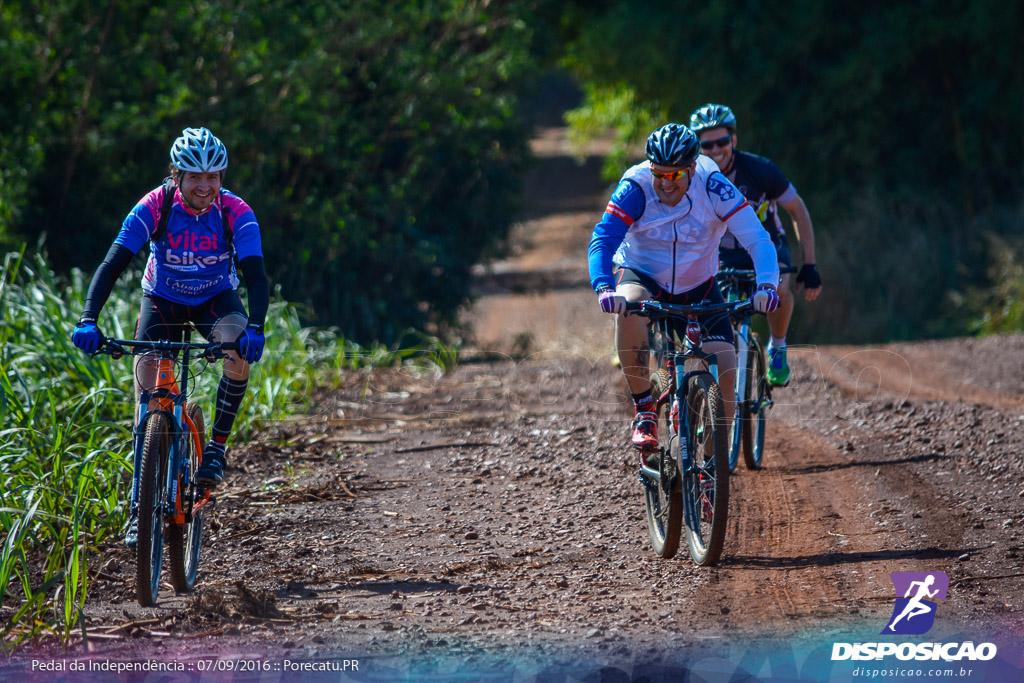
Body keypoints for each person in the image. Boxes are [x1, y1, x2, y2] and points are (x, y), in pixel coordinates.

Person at [71, 127, 269, 546]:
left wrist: (256, 327)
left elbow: (256, 276)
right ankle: (137, 510)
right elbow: (113, 264)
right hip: (161, 299)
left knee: (236, 347)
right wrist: (89, 319)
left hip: (215, 299)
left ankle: (214, 446)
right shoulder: (154, 206)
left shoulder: (236, 212)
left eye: (213, 177)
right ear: (176, 176)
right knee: (146, 394)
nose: (205, 186)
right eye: (195, 177)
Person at [588, 123, 779, 453]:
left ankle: (709, 463)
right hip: (644, 274)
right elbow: (603, 240)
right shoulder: (635, 186)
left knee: (726, 361)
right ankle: (645, 409)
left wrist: (767, 286)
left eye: (674, 176)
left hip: (699, 283)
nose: (664, 183)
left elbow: (758, 239)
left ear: (692, 167)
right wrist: (605, 288)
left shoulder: (713, 185)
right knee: (629, 310)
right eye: (658, 173)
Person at [689, 103, 822, 387]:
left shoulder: (761, 170)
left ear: (734, 140)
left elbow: (798, 211)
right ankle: (708, 389)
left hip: (766, 243)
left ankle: (778, 345)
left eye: (722, 142)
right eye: (706, 145)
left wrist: (809, 264)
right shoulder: (691, 177)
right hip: (721, 251)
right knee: (708, 312)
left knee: (780, 290)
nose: (715, 150)